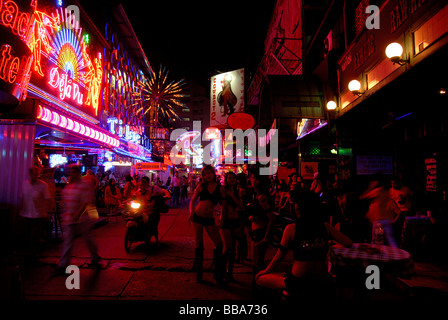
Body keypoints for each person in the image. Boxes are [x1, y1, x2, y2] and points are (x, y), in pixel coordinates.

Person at [255, 190, 353, 299]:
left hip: (298, 282)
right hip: (321, 281)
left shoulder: (291, 229)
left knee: (260, 279)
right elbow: (348, 242)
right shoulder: (325, 227)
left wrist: (265, 271)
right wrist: (329, 244)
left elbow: (279, 257)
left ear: (299, 209)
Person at [56, 164, 101, 274]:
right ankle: (63, 264)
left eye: (73, 172)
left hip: (83, 219)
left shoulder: (84, 185)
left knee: (88, 239)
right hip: (70, 219)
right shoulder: (68, 187)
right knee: (68, 241)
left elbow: (85, 202)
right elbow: (65, 203)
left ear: (78, 173)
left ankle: (95, 257)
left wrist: (78, 214)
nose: (71, 174)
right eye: (70, 171)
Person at [189, 165, 227, 285]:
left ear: (213, 174)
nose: (207, 175)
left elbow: (224, 206)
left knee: (219, 245)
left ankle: (217, 273)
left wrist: (221, 220)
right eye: (205, 174)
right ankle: (199, 275)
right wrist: (191, 213)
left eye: (209, 173)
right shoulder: (201, 186)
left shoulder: (220, 189)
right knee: (199, 244)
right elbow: (193, 201)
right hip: (198, 217)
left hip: (209, 219)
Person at [20, 166, 52, 263]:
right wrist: (21, 210)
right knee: (28, 235)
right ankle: (30, 255)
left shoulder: (43, 185)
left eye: (36, 174)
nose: (35, 176)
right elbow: (23, 197)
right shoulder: (25, 184)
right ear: (30, 174)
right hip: (27, 214)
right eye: (33, 173)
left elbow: (47, 199)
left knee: (34, 236)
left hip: (38, 215)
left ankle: (33, 255)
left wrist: (47, 212)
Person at [360, 175, 401, 247]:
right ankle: (397, 255)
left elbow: (363, 196)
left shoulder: (378, 191)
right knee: (391, 240)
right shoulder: (387, 192)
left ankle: (375, 256)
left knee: (375, 240)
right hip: (387, 220)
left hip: (379, 221)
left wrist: (371, 187)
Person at [248, 170, 276, 274]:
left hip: (260, 233)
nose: (251, 180)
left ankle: (259, 285)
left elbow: (271, 218)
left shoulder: (261, 197)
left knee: (257, 264)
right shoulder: (257, 195)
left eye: (253, 178)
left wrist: (266, 237)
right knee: (256, 262)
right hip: (256, 232)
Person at [220, 171, 244, 281]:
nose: (231, 180)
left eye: (233, 178)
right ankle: (222, 271)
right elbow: (222, 207)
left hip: (235, 221)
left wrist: (232, 195)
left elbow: (240, 205)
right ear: (226, 180)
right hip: (226, 221)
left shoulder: (237, 191)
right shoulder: (222, 190)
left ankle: (230, 272)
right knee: (227, 248)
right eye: (229, 178)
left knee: (233, 248)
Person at [389, 176, 414, 242]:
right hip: (396, 212)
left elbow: (413, 197)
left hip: (405, 211)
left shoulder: (406, 189)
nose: (393, 185)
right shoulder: (391, 191)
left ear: (399, 183)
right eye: (392, 184)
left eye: (395, 183)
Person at [236, 172, 251, 263]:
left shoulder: (241, 190)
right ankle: (243, 256)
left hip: (241, 213)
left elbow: (240, 202)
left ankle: (240, 256)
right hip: (245, 213)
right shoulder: (247, 189)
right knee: (243, 236)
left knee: (240, 235)